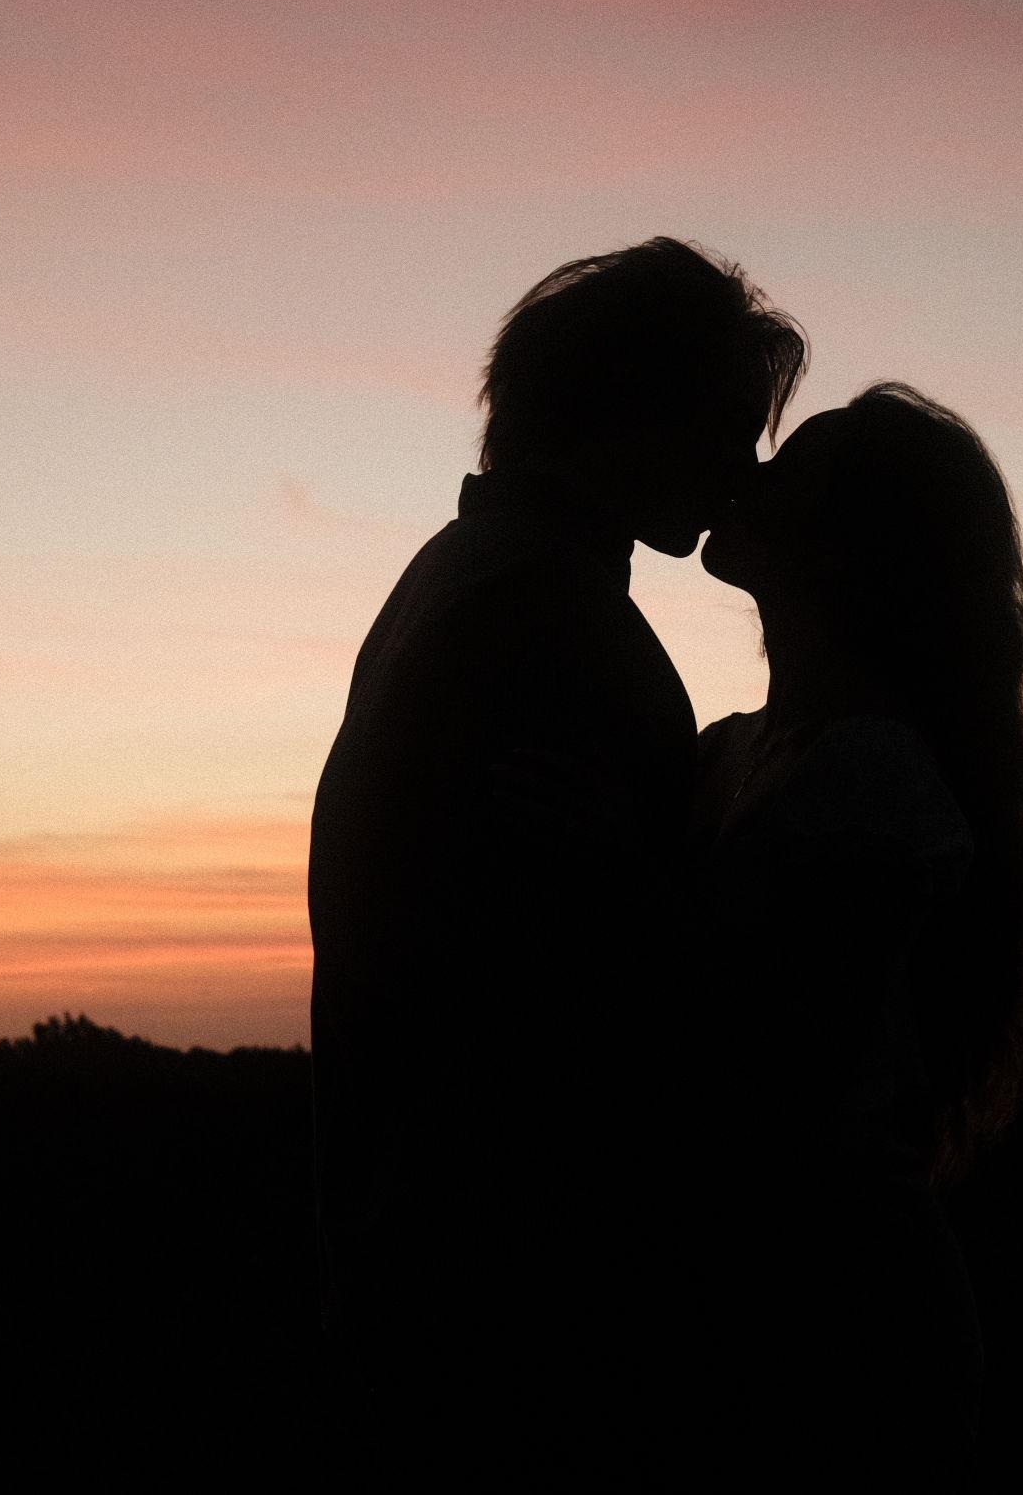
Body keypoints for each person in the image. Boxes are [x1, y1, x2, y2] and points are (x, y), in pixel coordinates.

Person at [305, 237, 806, 1478]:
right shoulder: (545, 617)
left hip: (432, 1267)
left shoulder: (467, 579)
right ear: (636, 412)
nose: (741, 471)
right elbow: (581, 1007)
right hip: (520, 1307)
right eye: (726, 428)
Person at [687, 382, 1023, 1488]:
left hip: (841, 1327)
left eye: (795, 468)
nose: (751, 474)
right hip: (764, 1302)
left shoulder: (872, 781)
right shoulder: (730, 750)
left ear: (853, 551)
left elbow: (752, 1082)